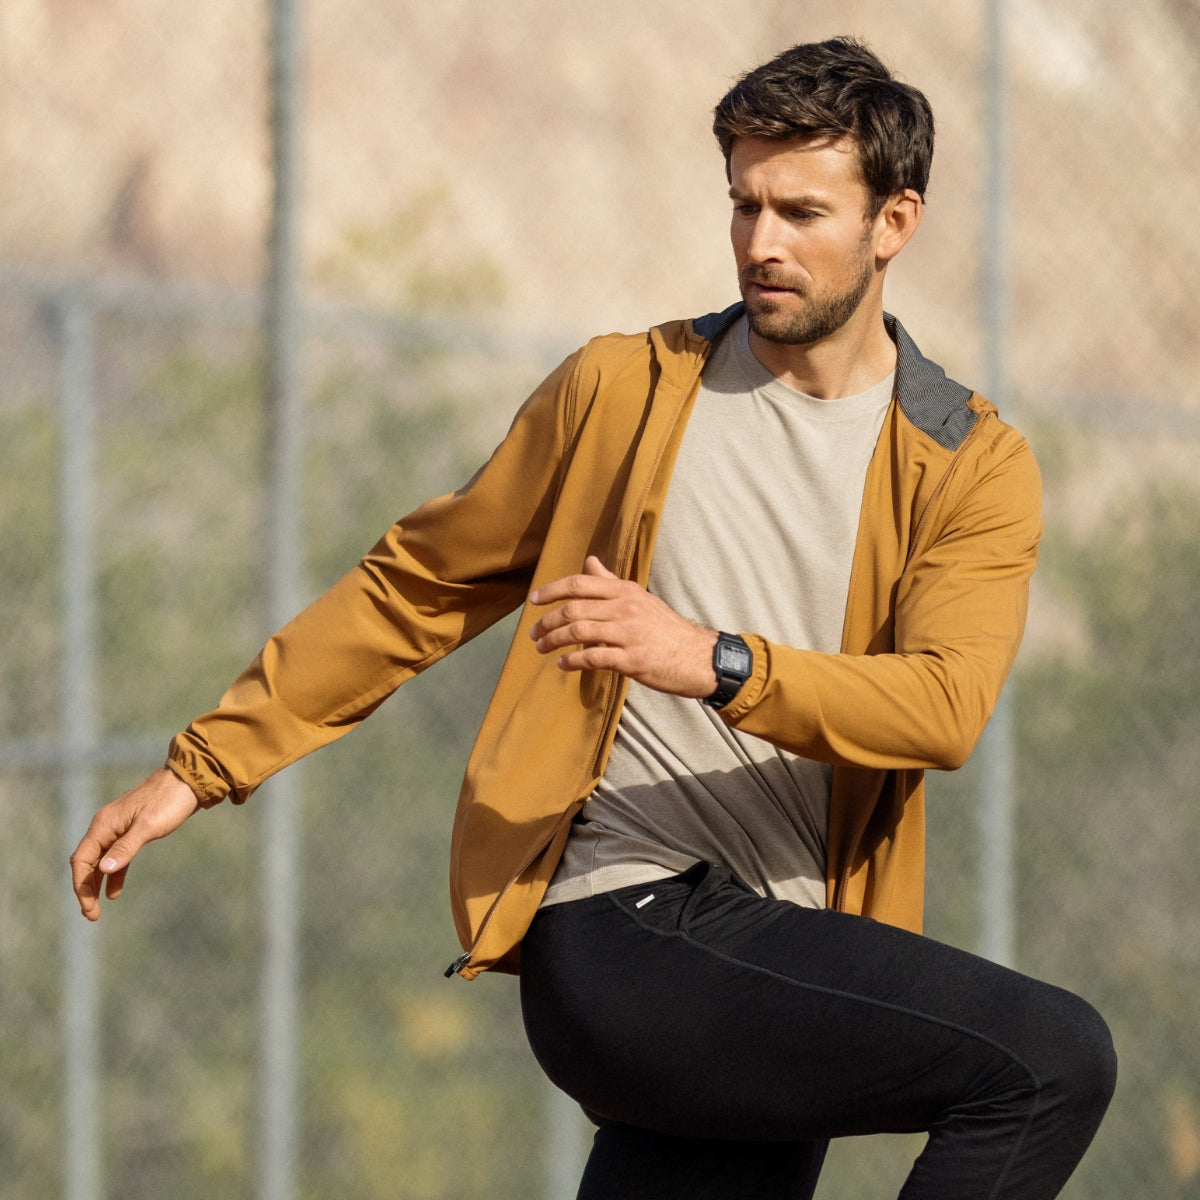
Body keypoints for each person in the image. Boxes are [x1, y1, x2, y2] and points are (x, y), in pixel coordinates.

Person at [71, 36, 1115, 1200]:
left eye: (803, 211)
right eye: (744, 205)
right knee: (1050, 1061)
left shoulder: (968, 463)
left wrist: (706, 659)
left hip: (779, 956)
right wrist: (201, 765)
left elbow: (942, 706)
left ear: (895, 222)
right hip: (623, 918)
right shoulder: (623, 391)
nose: (762, 242)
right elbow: (418, 582)